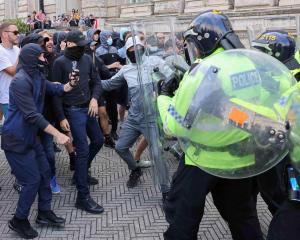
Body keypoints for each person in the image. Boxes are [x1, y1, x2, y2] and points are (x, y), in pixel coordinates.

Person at [157, 10, 263, 240]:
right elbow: (246, 111)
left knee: (181, 218)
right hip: (240, 158)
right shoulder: (249, 63)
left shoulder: (203, 71)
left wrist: (164, 98)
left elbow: (175, 125)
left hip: (202, 159)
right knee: (243, 217)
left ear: (203, 41)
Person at [1, 43, 78, 239]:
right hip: (16, 140)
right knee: (31, 180)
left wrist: (69, 85)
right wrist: (57, 134)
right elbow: (32, 115)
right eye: (42, 57)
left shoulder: (36, 76)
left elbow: (52, 87)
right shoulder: (19, 81)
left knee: (45, 173)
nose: (45, 59)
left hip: (31, 137)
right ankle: (18, 220)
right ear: (32, 59)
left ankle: (44, 213)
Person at [101, 36, 171, 189]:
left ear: (143, 48)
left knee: (158, 155)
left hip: (152, 118)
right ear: (127, 52)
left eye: (138, 48)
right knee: (120, 147)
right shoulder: (126, 70)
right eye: (131, 50)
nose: (135, 52)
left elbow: (172, 78)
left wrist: (163, 91)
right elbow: (109, 84)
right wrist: (89, 82)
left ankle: (166, 190)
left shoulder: (155, 62)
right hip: (133, 118)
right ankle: (135, 169)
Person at [251, 30, 300, 240]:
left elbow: (283, 119)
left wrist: (232, 113)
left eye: (263, 53)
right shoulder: (271, 76)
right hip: (266, 147)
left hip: (285, 154)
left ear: (276, 55)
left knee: (283, 197)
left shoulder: (288, 83)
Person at [52, 30, 104, 214]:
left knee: (98, 141)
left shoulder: (87, 60)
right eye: (80, 45)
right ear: (69, 44)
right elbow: (56, 93)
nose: (84, 48)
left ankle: (81, 172)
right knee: (81, 150)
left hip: (88, 108)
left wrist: (95, 99)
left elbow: (97, 83)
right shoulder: (59, 63)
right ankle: (82, 197)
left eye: (85, 45)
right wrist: (61, 117)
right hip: (72, 111)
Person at [0, 22, 20, 118]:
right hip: (7, 98)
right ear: (4, 34)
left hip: (20, 96)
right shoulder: (0, 51)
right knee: (15, 130)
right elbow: (13, 71)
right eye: (15, 32)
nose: (18, 35)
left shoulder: (17, 49)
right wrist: (22, 54)